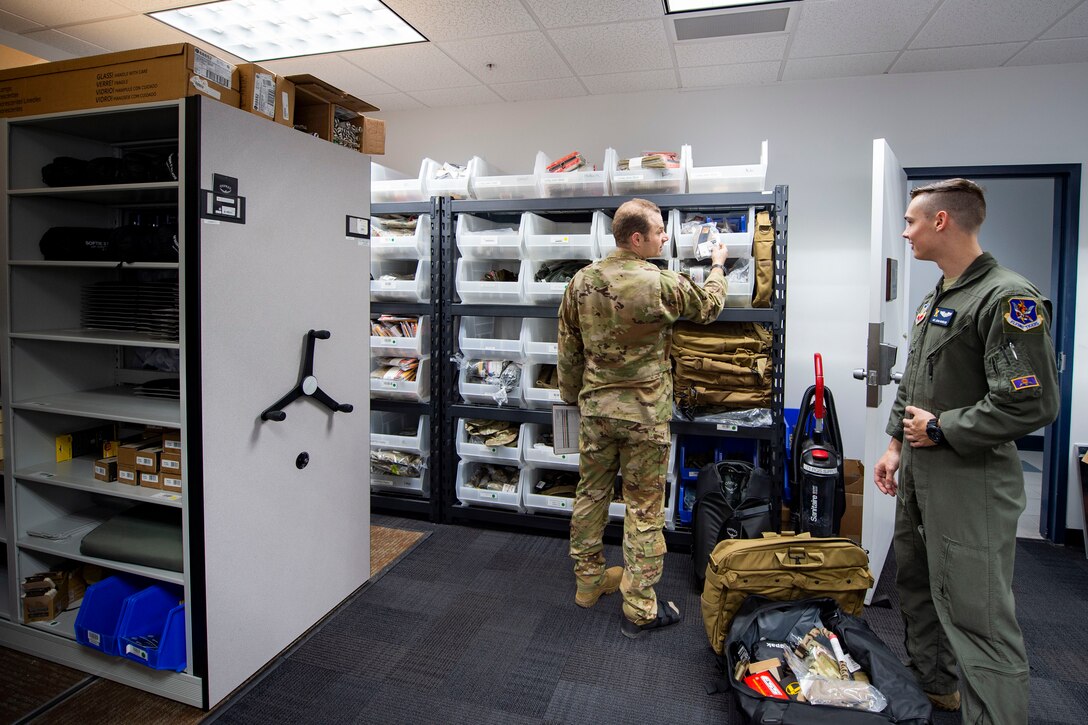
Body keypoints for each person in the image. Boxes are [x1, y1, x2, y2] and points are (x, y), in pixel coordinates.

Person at [874, 179, 1060, 722]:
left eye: (911, 221)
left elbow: (1031, 405)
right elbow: (915, 383)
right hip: (921, 472)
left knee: (977, 614)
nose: (904, 231)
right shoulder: (939, 294)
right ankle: (936, 690)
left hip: (970, 480)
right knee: (917, 587)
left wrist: (941, 430)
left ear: (941, 222)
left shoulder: (1007, 297)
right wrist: (893, 445)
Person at [558, 198, 729, 638]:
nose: (665, 236)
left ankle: (588, 580)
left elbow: (568, 346)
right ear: (637, 238)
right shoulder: (660, 283)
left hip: (596, 409)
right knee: (644, 506)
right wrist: (718, 266)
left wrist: (571, 397)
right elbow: (709, 306)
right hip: (644, 414)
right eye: (659, 231)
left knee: (591, 493)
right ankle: (639, 607)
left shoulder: (581, 281)